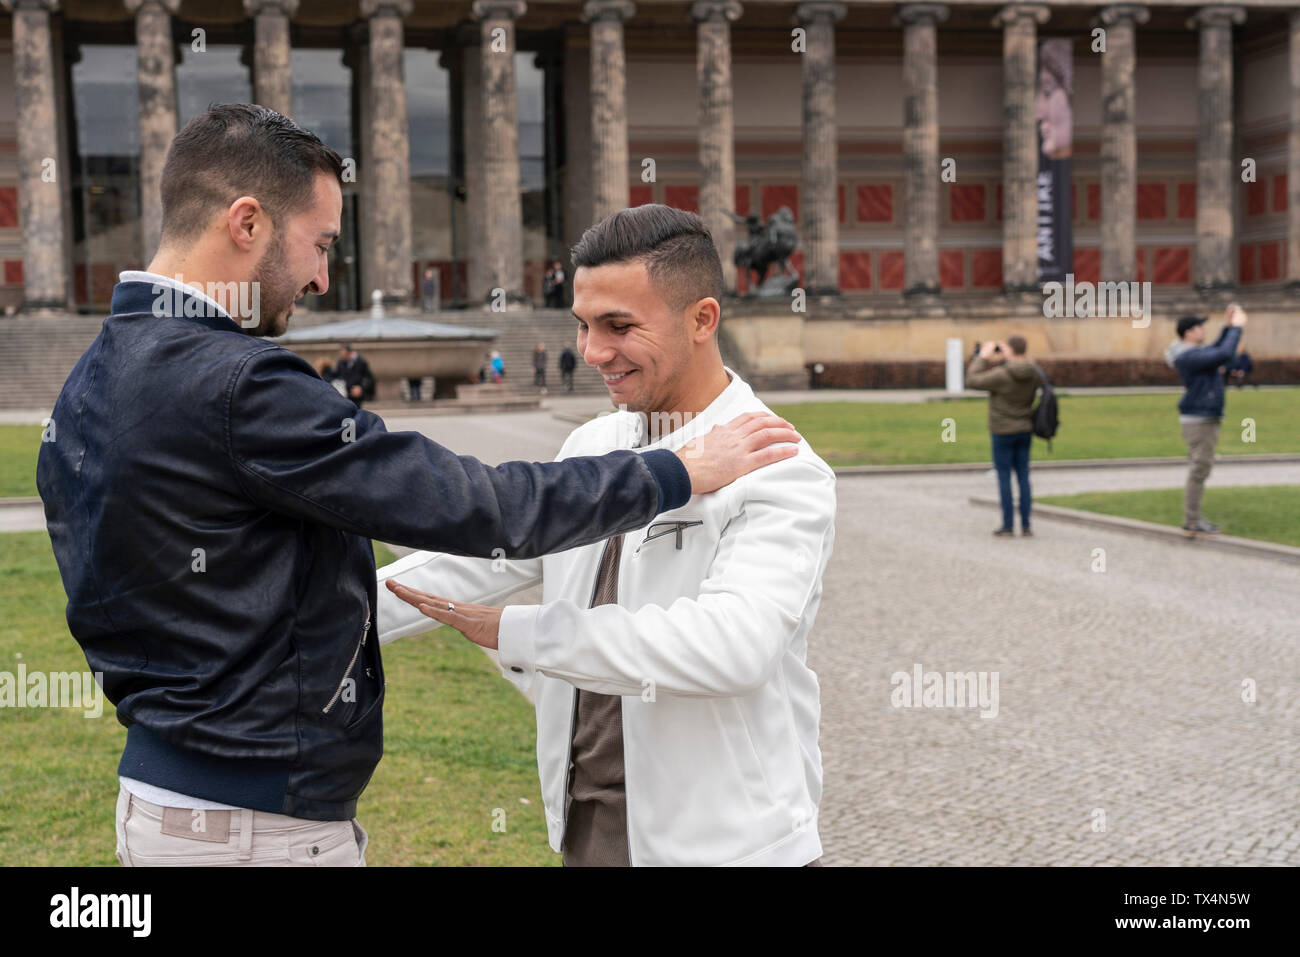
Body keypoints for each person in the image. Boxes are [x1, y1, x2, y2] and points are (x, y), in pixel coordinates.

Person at [35, 106, 801, 868]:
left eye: (618, 326)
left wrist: (387, 611)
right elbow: (478, 506)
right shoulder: (240, 385)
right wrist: (674, 472)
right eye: (321, 244)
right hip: (256, 827)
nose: (323, 277)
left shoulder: (89, 383)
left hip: (160, 798)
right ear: (247, 222)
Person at [378, 204, 836, 867]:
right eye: (584, 325)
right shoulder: (592, 442)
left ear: (702, 319)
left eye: (619, 326)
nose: (593, 352)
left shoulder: (780, 466)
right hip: (590, 828)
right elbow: (486, 559)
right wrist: (316, 616)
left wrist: (521, 632)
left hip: (732, 846)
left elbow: (734, 648)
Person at [1164, 305, 1247, 536]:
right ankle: (1192, 522)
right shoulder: (1188, 356)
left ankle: (1194, 519)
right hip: (1199, 419)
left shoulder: (1193, 353)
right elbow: (1223, 354)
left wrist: (1228, 327)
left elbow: (1216, 349)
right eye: (1200, 327)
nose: (1203, 330)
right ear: (1189, 333)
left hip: (1203, 416)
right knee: (1199, 469)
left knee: (1200, 468)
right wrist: (1237, 328)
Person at [967, 335, 1040, 537]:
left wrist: (983, 356)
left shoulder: (1002, 375)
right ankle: (1026, 525)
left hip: (1002, 431)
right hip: (1024, 428)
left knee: (1004, 477)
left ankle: (1008, 525)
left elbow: (972, 380)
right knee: (1024, 476)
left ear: (1011, 350)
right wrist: (1003, 360)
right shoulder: (1033, 371)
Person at [335, 343, 374, 407]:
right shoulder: (341, 362)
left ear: (349, 353)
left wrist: (361, 388)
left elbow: (369, 379)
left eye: (344, 354)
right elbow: (337, 376)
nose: (342, 357)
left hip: (358, 397)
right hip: (346, 396)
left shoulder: (361, 362)